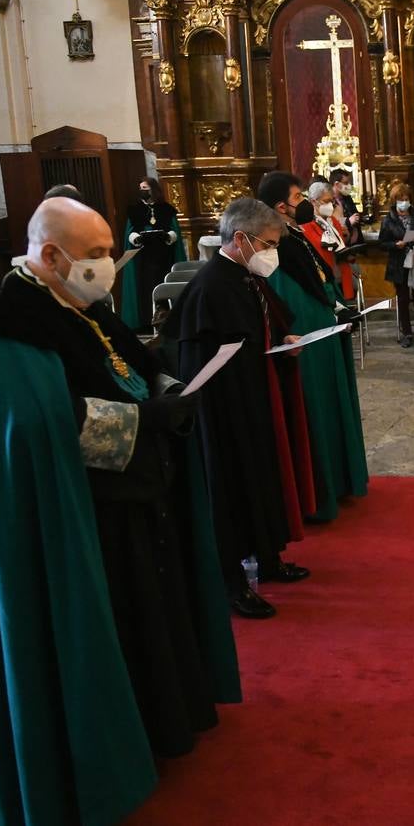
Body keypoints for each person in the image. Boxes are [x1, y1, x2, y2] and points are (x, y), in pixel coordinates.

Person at [0, 197, 241, 825]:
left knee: (147, 617)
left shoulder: (81, 306)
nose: (109, 265)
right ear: (50, 256)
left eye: (110, 251)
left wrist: (166, 384)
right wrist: (145, 420)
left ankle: (156, 722)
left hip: (131, 502)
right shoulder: (7, 333)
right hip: (76, 520)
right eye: (97, 255)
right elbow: (41, 429)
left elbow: (128, 367)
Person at [163, 197, 312, 619]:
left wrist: (280, 342)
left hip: (253, 400)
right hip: (224, 412)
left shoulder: (244, 275)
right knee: (232, 491)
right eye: (268, 243)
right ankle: (232, 584)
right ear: (242, 239)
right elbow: (201, 360)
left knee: (262, 480)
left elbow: (256, 332)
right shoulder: (211, 285)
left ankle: (269, 558)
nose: (272, 253)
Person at [261, 171, 368, 520]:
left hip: (323, 322)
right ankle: (318, 492)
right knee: (314, 404)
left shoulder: (295, 234)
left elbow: (318, 276)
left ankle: (339, 480)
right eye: (298, 197)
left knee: (329, 399)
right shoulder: (272, 242)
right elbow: (287, 292)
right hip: (305, 333)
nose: (305, 202)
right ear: (280, 206)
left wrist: (337, 305)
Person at [120, 177, 186, 330]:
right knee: (145, 287)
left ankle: (169, 320)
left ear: (153, 190)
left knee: (163, 282)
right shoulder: (134, 209)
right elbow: (130, 232)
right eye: (140, 188)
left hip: (164, 255)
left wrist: (169, 235)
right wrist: (136, 238)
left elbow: (174, 229)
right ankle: (146, 321)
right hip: (143, 258)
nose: (142, 191)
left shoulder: (166, 208)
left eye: (145, 188)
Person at [379, 182, 414, 348]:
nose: (404, 202)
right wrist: (395, 245)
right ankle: (406, 332)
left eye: (406, 199)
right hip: (398, 262)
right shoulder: (388, 220)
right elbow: (382, 243)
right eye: (401, 199)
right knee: (402, 299)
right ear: (394, 201)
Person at [305, 180, 357, 301]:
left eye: (332, 201)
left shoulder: (333, 220)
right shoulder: (308, 224)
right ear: (314, 201)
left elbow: (341, 243)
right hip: (326, 275)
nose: (330, 205)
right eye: (326, 201)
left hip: (341, 271)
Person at [329, 167, 364, 244]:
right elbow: (330, 222)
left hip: (355, 242)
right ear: (337, 184)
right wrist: (348, 221)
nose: (349, 185)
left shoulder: (347, 198)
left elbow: (355, 216)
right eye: (345, 183)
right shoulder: (328, 200)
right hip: (341, 243)